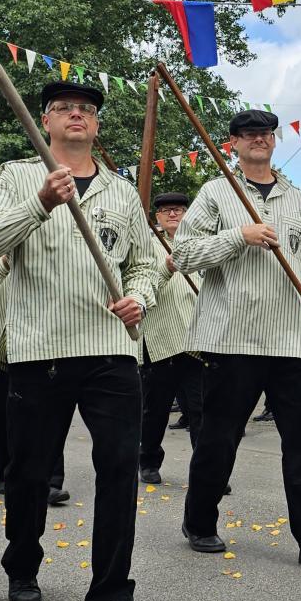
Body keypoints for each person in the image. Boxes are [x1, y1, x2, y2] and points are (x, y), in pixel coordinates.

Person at [0, 80, 156, 601]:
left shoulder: (122, 192)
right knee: (29, 471)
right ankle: (22, 565)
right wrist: (41, 203)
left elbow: (146, 264)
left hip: (111, 350)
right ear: (46, 121)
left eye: (86, 110)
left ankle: (111, 595)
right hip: (39, 349)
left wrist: (139, 297)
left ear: (96, 126)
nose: (77, 115)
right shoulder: (15, 176)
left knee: (119, 470)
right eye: (64, 108)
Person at [173, 109, 301, 575]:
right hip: (231, 339)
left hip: (293, 341)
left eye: (266, 133)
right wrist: (239, 235)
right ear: (233, 143)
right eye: (249, 134)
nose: (259, 139)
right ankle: (199, 521)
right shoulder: (216, 193)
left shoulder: (298, 199)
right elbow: (183, 254)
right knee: (219, 439)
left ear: (274, 140)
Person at [0, 243, 69, 500]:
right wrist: (3, 263)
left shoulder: (47, 233)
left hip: (41, 336)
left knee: (48, 409)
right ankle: (6, 472)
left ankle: (50, 478)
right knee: (1, 411)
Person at [138, 192, 203, 485]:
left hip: (196, 341)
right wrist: (166, 267)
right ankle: (148, 461)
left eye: (178, 209)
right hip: (160, 339)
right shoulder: (148, 245)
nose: (173, 214)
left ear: (187, 214)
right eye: (166, 211)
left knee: (201, 410)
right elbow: (143, 285)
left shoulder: (199, 245)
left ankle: (206, 470)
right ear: (158, 218)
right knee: (156, 410)